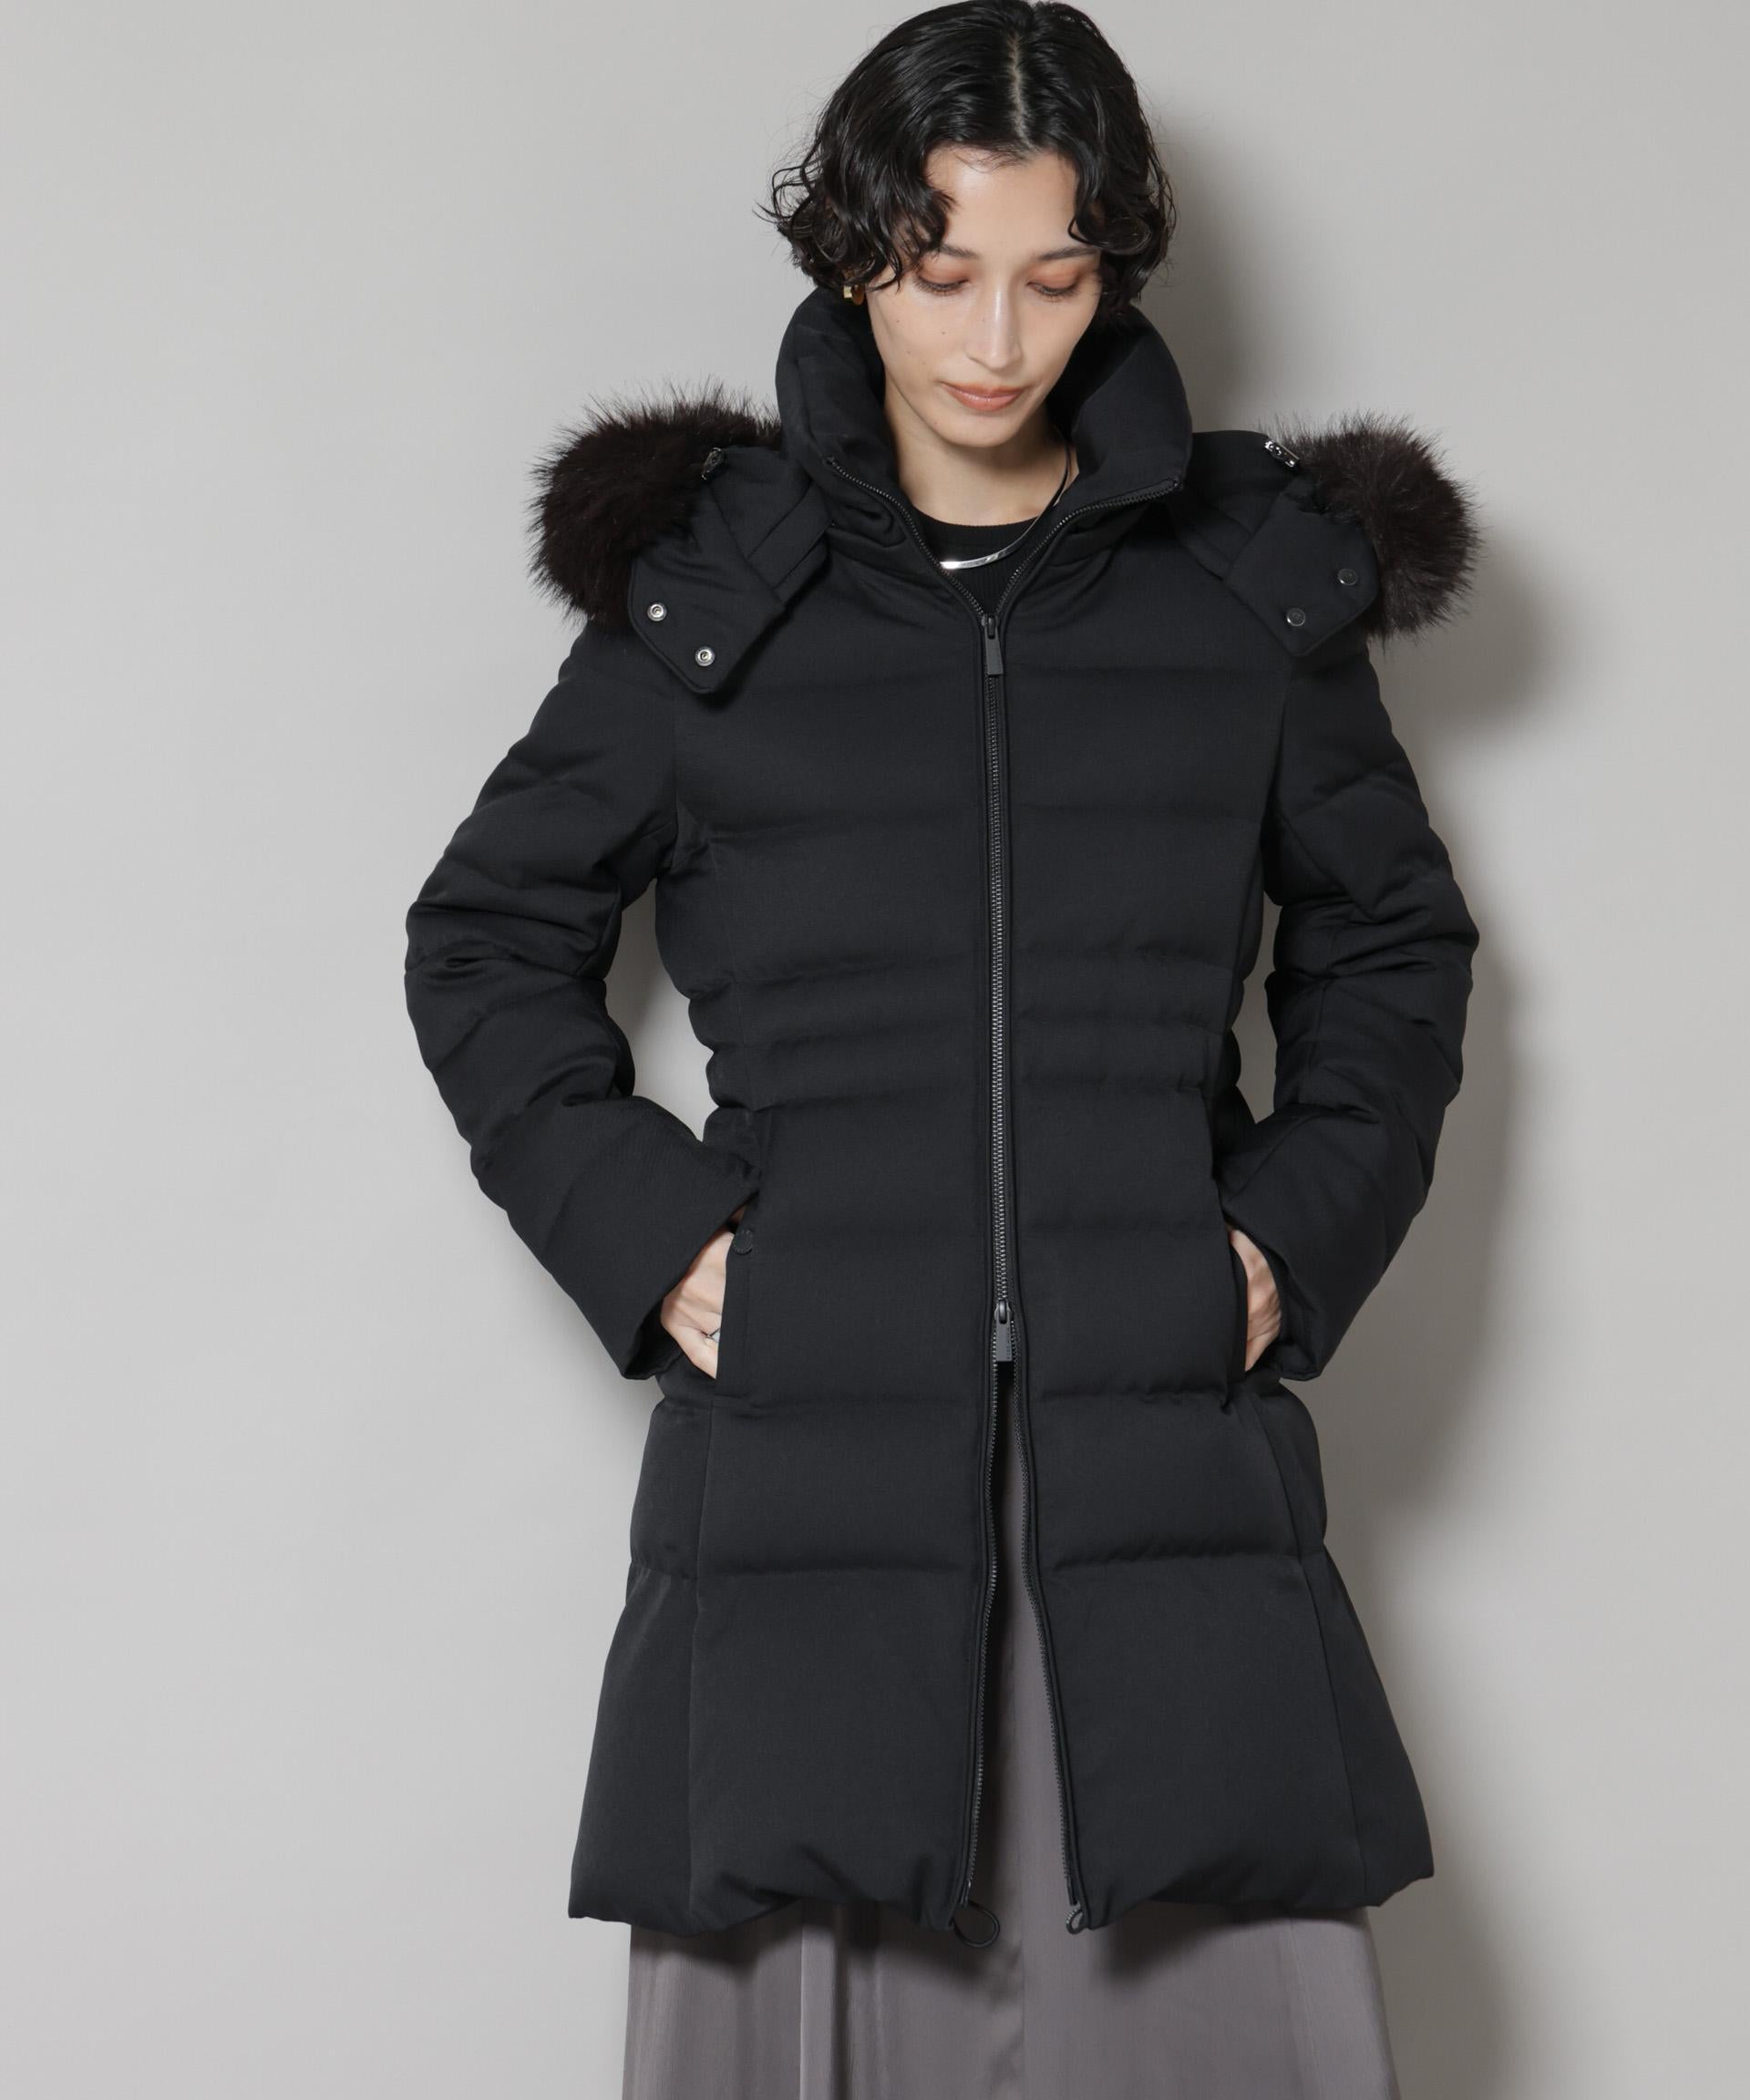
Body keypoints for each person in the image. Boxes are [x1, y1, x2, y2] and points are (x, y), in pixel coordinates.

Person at [401, 3, 1481, 2092]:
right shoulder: (713, 598)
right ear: (849, 251)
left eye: (1056, 277)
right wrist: (656, 1240)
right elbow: (487, 939)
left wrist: (1290, 1237)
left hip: (1159, 1445)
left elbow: (1393, 949)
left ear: (1115, 266)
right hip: (807, 1465)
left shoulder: (1245, 600)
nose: (997, 339)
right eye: (939, 268)